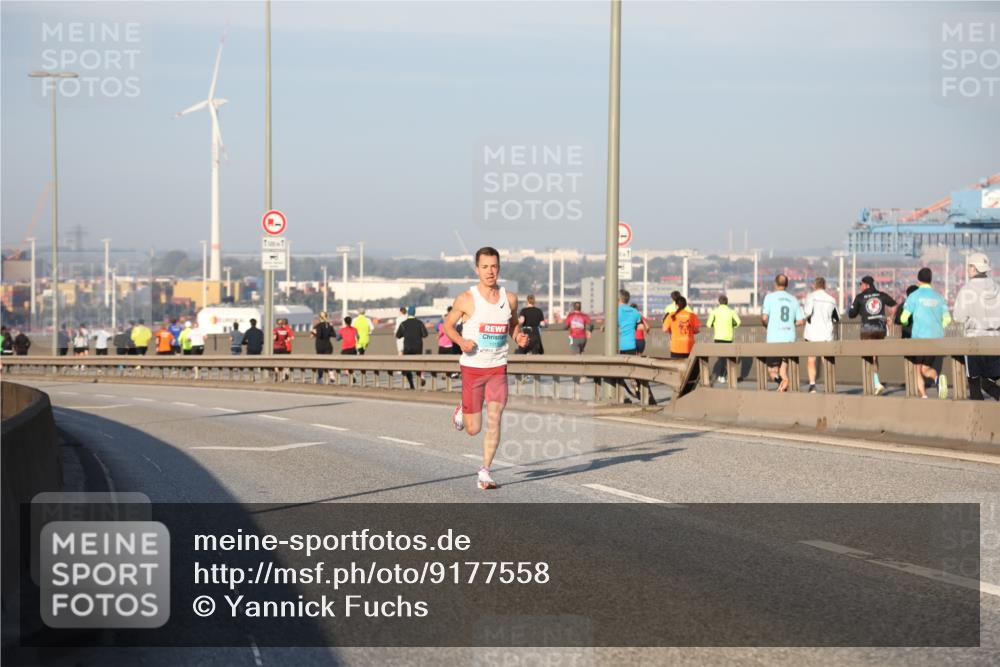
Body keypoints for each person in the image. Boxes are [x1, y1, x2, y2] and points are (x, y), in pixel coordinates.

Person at [442, 246, 529, 490]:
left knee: (495, 418)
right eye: (484, 267)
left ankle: (485, 471)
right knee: (473, 428)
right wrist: (460, 341)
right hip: (472, 368)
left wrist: (519, 337)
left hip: (498, 368)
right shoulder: (466, 298)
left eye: (494, 266)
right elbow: (448, 326)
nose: (490, 272)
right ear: (476, 269)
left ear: (499, 268)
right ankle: (462, 408)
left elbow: (512, 325)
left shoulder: (509, 298)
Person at [953, 252, 1000, 401]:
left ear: (974, 269)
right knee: (989, 381)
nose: (967, 269)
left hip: (974, 340)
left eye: (969, 267)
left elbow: (958, 317)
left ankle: (978, 416)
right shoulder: (997, 288)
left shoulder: (966, 290)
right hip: (995, 340)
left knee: (974, 381)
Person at [900, 267, 951, 399]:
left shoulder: (914, 296)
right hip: (936, 339)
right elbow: (947, 319)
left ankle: (923, 395)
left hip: (919, 338)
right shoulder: (939, 297)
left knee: (918, 369)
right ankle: (937, 379)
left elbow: (903, 318)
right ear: (931, 279)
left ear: (918, 279)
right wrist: (939, 326)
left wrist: (906, 324)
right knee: (925, 368)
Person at [847, 275, 897, 395]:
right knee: (875, 356)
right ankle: (876, 381)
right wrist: (890, 318)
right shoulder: (881, 295)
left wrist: (857, 309)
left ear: (866, 285)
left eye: (861, 284)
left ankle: (873, 383)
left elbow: (851, 314)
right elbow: (895, 305)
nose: (860, 286)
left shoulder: (860, 297)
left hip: (867, 330)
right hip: (880, 329)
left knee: (867, 356)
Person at [761, 274, 805, 392]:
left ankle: (781, 382)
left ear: (775, 284)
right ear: (787, 284)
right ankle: (785, 396)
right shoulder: (794, 299)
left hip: (774, 339)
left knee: (772, 371)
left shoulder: (769, 297)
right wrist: (790, 324)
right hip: (789, 338)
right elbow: (800, 321)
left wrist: (766, 325)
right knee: (783, 371)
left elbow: (764, 318)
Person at [803, 277, 839, 393]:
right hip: (826, 334)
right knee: (827, 360)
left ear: (814, 285)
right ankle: (830, 385)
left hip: (812, 333)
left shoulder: (811, 297)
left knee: (811, 359)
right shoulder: (831, 299)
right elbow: (837, 317)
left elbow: (807, 313)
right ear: (825, 286)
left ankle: (812, 385)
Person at [707, 294, 741, 383]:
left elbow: (708, 324)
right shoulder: (731, 311)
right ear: (727, 302)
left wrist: (715, 324)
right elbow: (738, 322)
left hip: (718, 337)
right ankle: (723, 375)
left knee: (721, 358)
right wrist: (732, 325)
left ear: (719, 302)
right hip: (728, 337)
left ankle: (722, 376)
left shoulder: (714, 311)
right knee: (727, 358)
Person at [396, 306, 428, 388]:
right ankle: (421, 376)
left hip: (407, 347)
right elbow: (425, 334)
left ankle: (411, 384)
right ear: (414, 313)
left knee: (407, 366)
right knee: (419, 364)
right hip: (418, 347)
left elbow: (398, 335)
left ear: (408, 313)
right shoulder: (419, 323)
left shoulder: (403, 323)